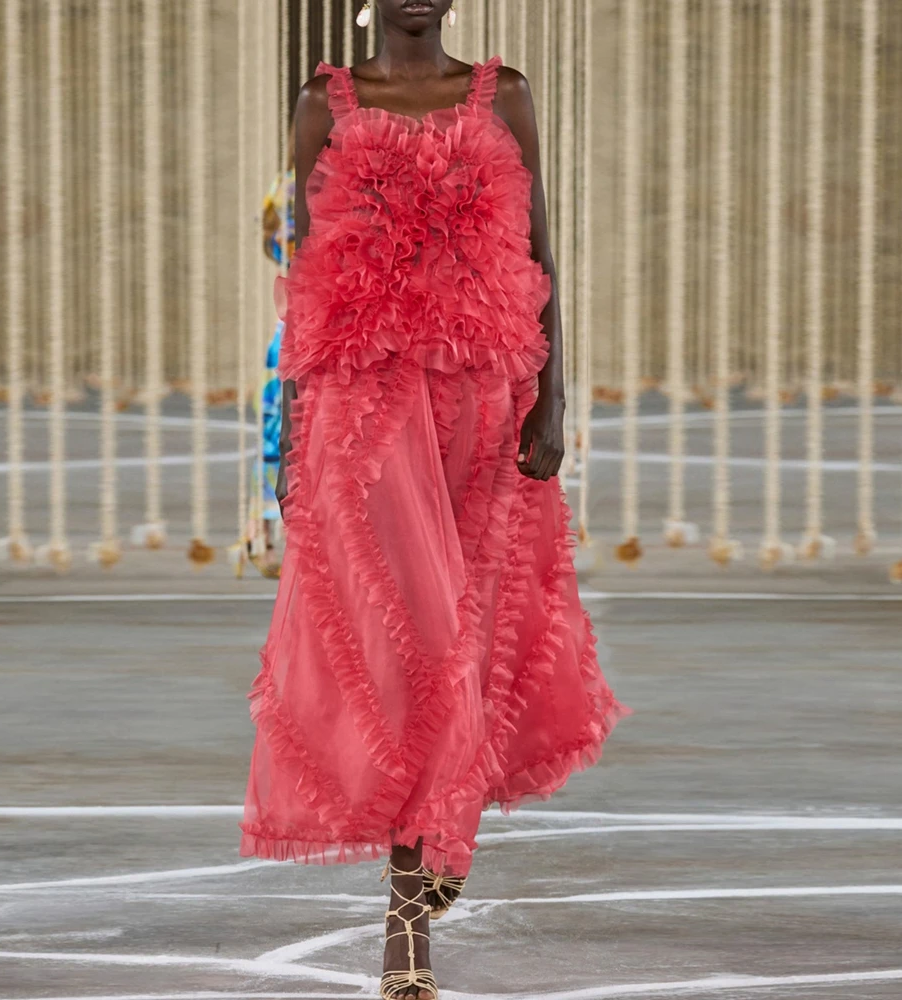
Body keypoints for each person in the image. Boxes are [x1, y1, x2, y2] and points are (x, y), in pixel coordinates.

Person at [240, 2, 629, 997]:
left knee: (479, 624)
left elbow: (543, 254)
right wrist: (284, 437)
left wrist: (555, 404)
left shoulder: (508, 97)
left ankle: (435, 829)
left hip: (486, 397)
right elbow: (300, 274)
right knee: (411, 635)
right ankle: (403, 936)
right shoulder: (321, 104)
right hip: (362, 407)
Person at [250, 142, 296, 578]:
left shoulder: (282, 185)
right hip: (309, 321)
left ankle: (262, 532)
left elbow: (268, 241)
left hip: (292, 319)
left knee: (274, 426)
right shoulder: (323, 184)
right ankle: (267, 530)